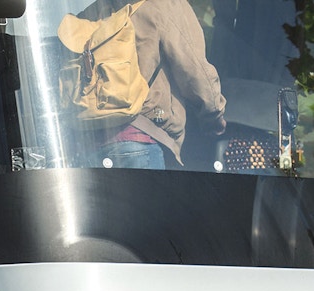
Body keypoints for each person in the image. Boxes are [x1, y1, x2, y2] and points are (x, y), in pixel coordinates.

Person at [79, 0, 227, 169]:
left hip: (87, 147)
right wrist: (213, 115)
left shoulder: (91, 12)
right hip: (141, 138)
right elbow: (195, 72)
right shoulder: (165, 4)